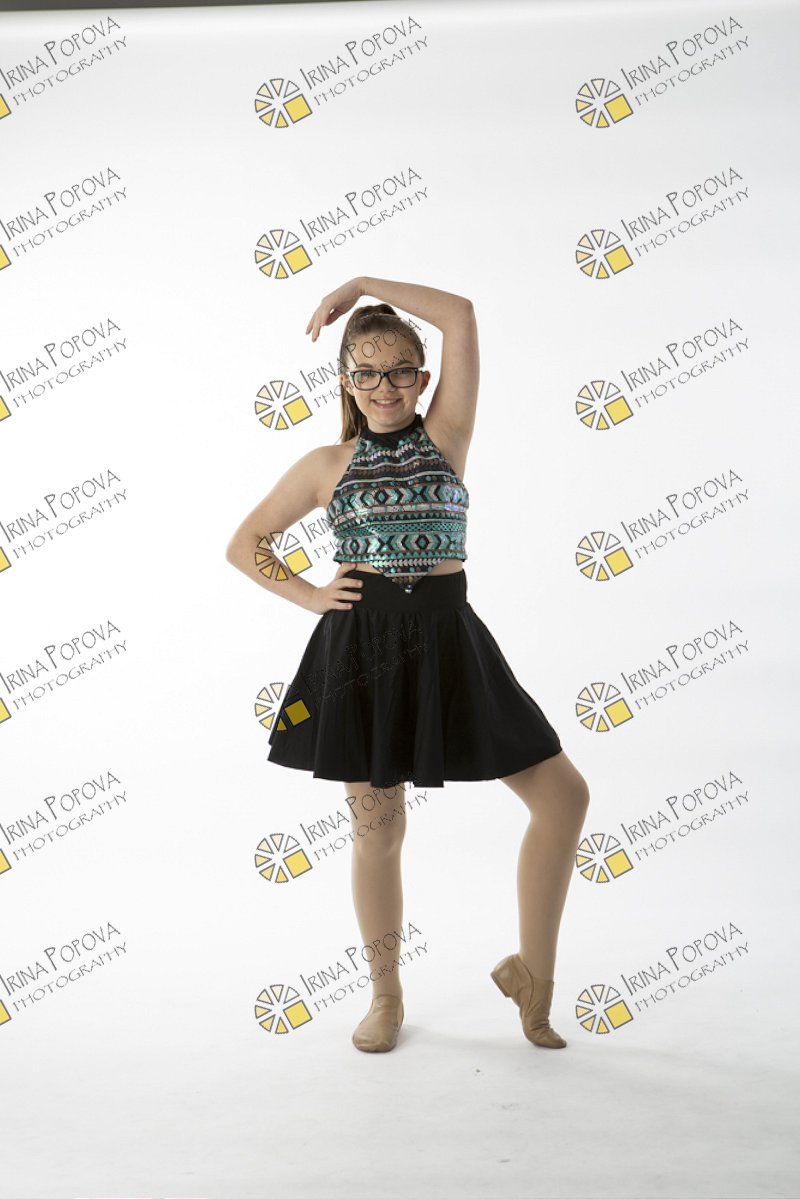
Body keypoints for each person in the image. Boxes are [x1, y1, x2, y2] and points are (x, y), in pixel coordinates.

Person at [226, 276, 591, 1054]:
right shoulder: (326, 463)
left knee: (563, 796)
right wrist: (311, 595)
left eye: (398, 370)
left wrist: (361, 283)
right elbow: (245, 544)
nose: (384, 385)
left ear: (423, 379)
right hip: (361, 653)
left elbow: (461, 313)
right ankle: (385, 995)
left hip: (451, 641)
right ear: (345, 381)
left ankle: (534, 978)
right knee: (379, 830)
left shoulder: (447, 435)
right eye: (366, 372)